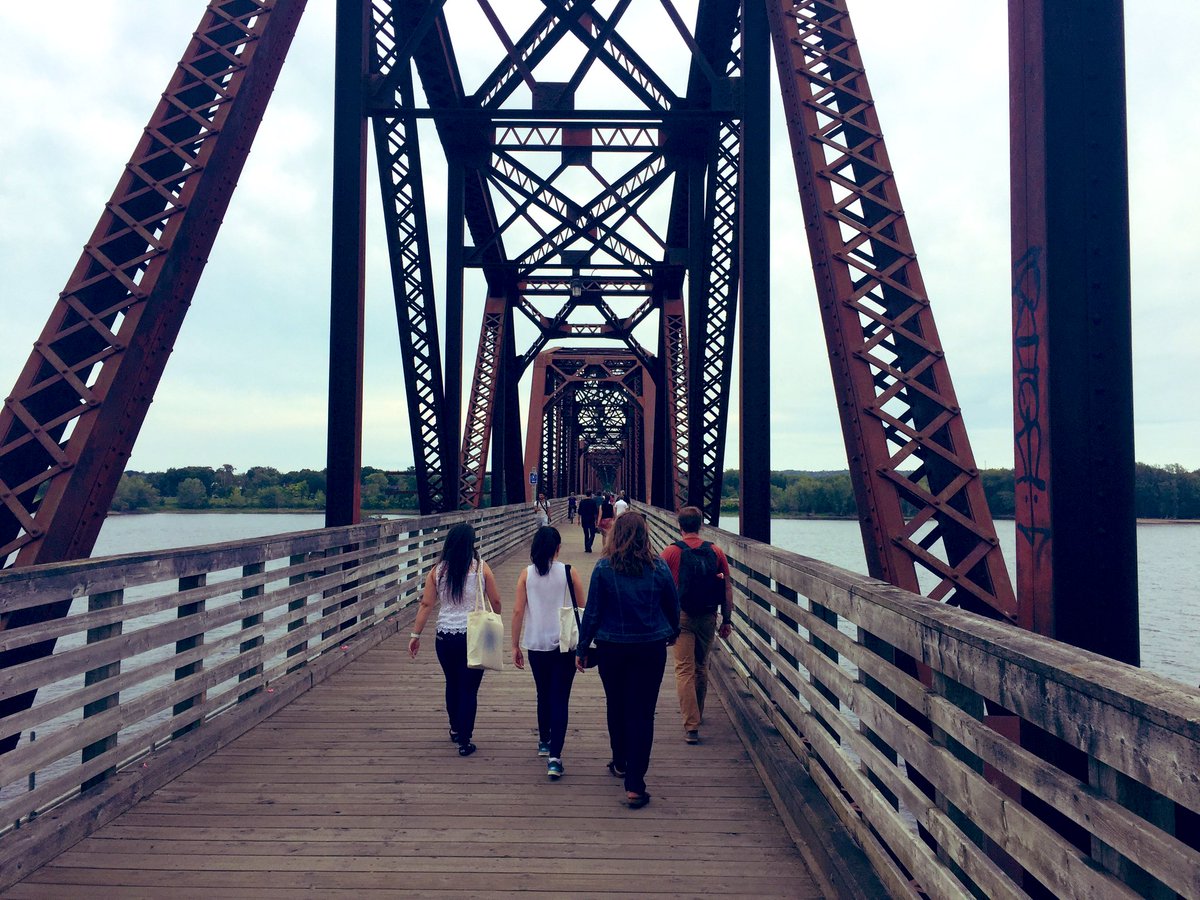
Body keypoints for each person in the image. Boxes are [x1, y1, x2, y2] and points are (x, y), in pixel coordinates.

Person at [576, 512, 679, 809]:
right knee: (643, 713)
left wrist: (582, 648)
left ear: (615, 534)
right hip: (650, 647)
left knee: (616, 704)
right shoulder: (658, 567)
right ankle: (634, 784)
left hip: (611, 647)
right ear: (645, 535)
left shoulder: (603, 568)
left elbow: (592, 611)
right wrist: (672, 631)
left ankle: (620, 760)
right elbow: (672, 605)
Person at [409, 522, 504, 757]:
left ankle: (454, 727)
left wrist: (415, 634)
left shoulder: (437, 571)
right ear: (471, 543)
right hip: (475, 635)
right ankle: (465, 739)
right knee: (469, 689)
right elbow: (497, 601)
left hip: (445, 636)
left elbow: (426, 604)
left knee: (452, 683)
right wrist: (495, 616)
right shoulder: (481, 568)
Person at [511, 526, 587, 779]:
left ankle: (545, 741)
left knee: (543, 694)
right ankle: (555, 758)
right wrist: (585, 646)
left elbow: (518, 612)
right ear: (558, 548)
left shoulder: (526, 575)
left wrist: (514, 645)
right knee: (560, 698)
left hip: (536, 644)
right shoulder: (569, 571)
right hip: (565, 645)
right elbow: (583, 609)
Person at [659, 506, 733, 745]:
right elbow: (727, 587)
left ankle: (691, 725)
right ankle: (697, 714)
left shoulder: (670, 552)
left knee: (683, 669)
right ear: (700, 525)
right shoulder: (716, 551)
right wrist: (727, 619)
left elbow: (657, 585)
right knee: (701, 666)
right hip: (708, 616)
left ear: (680, 526)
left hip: (681, 616)